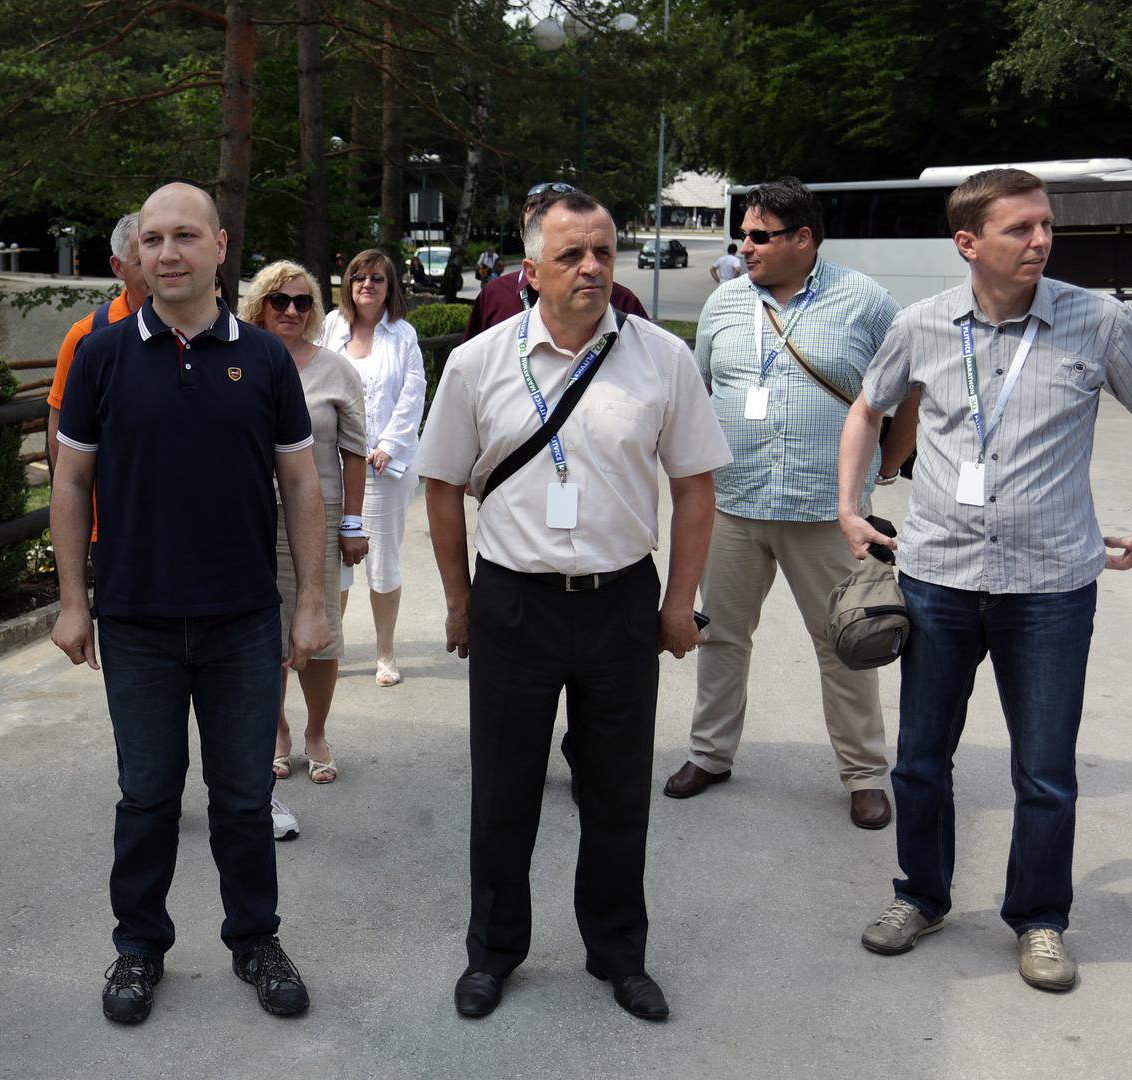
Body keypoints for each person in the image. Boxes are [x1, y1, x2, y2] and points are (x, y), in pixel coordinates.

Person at [839, 168, 1132, 991]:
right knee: (919, 760)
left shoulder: (1096, 322)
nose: (1040, 240)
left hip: (1050, 588)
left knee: (1044, 772)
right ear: (967, 243)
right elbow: (867, 408)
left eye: (1044, 225)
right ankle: (919, 896)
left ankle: (1038, 919)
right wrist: (848, 507)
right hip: (937, 580)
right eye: (1019, 228)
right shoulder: (922, 324)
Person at [418, 190, 731, 1022]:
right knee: (503, 794)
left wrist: (678, 603)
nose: (591, 267)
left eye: (602, 252)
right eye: (570, 254)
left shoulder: (661, 358)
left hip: (619, 603)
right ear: (530, 270)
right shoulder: (478, 362)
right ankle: (492, 953)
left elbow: (694, 487)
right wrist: (458, 601)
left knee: (617, 792)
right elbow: (441, 486)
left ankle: (618, 953)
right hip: (513, 603)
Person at [49, 182, 330, 1024]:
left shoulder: (266, 358)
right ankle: (139, 947)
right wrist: (72, 601)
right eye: (153, 239)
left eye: (185, 236)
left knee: (242, 798)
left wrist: (310, 601)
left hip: (242, 618)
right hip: (134, 618)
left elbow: (300, 484)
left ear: (219, 246)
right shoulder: (100, 355)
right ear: (135, 254)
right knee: (147, 798)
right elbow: (70, 480)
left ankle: (255, 940)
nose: (167, 253)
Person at [666, 177, 911, 830]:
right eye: (741, 235)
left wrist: (888, 463)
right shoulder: (723, 303)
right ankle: (710, 754)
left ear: (803, 238)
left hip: (827, 512)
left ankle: (864, 774)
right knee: (719, 637)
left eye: (759, 236)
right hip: (733, 506)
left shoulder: (865, 301)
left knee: (847, 641)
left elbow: (906, 387)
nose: (743, 247)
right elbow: (703, 390)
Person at [238, 261, 370, 786]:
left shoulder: (336, 370)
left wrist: (353, 523)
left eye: (302, 301)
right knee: (261, 633)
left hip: (319, 513)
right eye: (280, 300)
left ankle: (316, 731)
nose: (291, 310)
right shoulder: (239, 361)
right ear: (260, 305)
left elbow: (354, 452)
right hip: (249, 516)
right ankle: (278, 732)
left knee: (321, 633)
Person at [319, 249, 426, 687]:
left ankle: (385, 654)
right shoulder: (330, 326)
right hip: (333, 463)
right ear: (348, 283)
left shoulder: (402, 335)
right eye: (359, 277)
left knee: (382, 563)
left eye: (377, 278)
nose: (367, 284)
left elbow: (413, 393)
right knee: (334, 564)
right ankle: (332, 649)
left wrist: (388, 445)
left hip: (381, 469)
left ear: (389, 287)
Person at [462, 183, 650, 342]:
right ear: (522, 234)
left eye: (601, 252)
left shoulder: (621, 300)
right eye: (532, 230)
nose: (591, 267)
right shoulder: (495, 295)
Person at [47, 212, 147, 476]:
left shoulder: (194, 331)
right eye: (141, 261)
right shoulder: (86, 335)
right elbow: (60, 431)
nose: (156, 268)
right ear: (118, 267)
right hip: (105, 502)